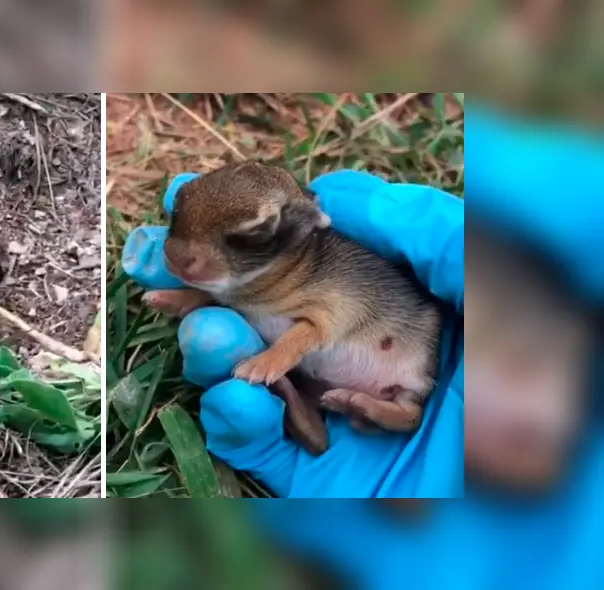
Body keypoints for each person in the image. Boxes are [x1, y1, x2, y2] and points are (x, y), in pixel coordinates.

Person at [122, 105, 604, 587]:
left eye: (248, 237)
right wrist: (195, 294)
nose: (181, 253)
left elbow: (321, 322)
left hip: (393, 347)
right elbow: (242, 298)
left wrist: (278, 356)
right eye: (180, 219)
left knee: (383, 392)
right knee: (268, 393)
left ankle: (401, 413)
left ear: (308, 224)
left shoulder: (320, 266)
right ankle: (306, 401)